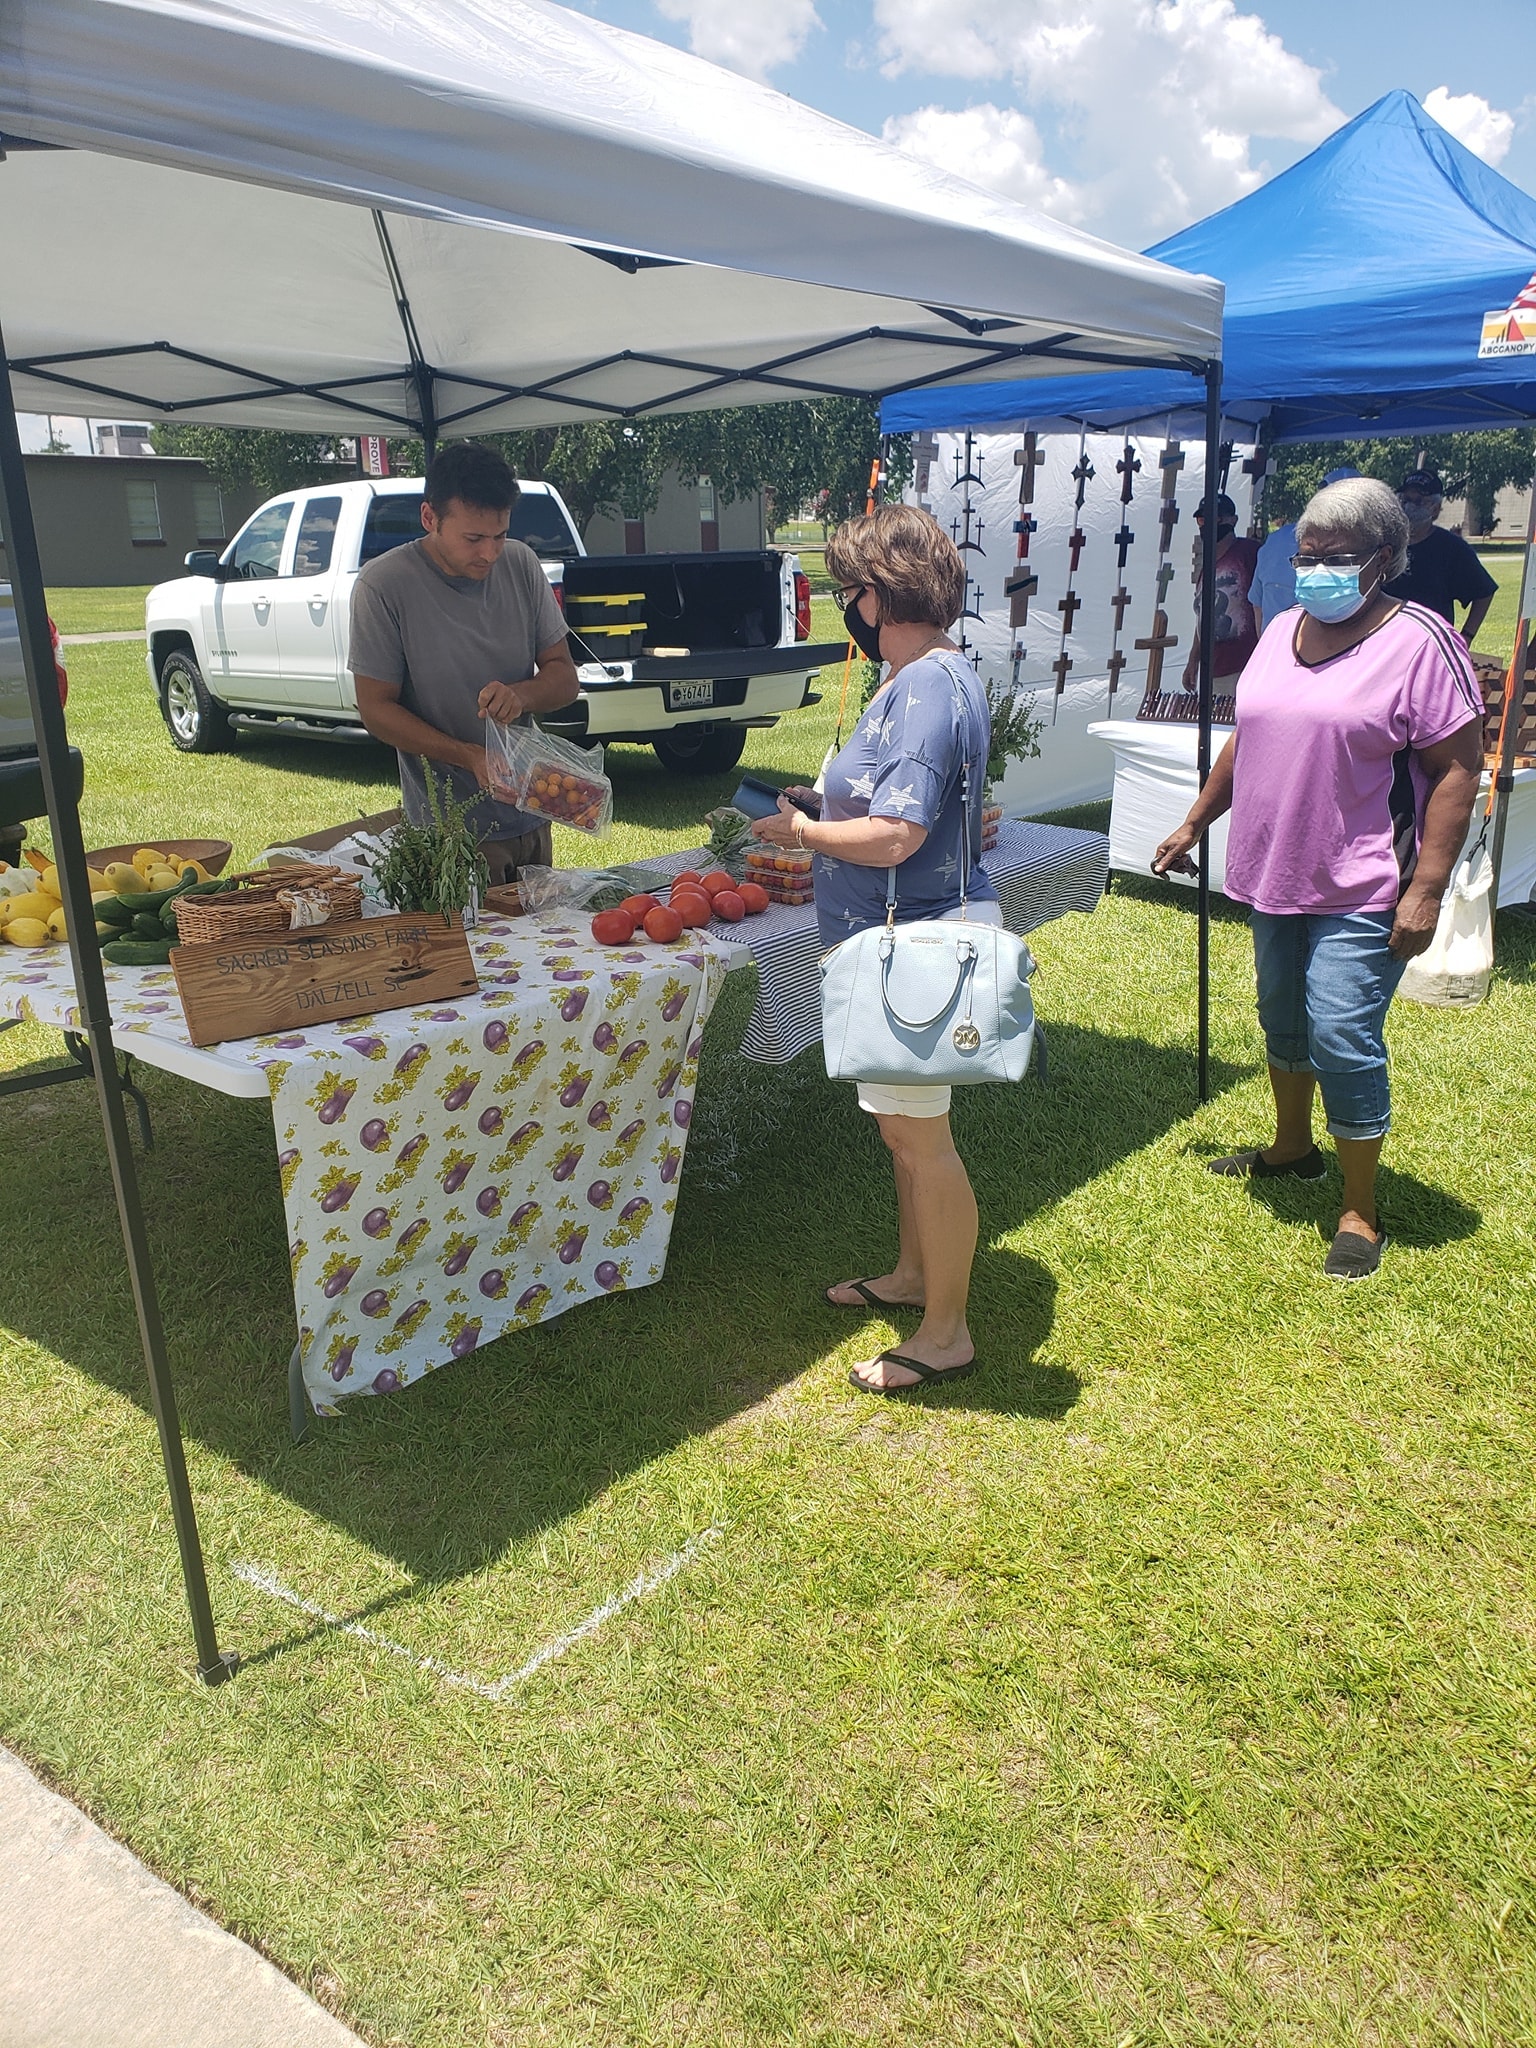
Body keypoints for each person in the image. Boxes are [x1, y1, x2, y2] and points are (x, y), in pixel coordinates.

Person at [1152, 477, 1483, 1281]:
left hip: (1365, 880)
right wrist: (1196, 819)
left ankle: (1360, 1208)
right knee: (1282, 1020)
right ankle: (1293, 1149)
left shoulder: (1422, 640)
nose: (1314, 571)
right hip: (1275, 868)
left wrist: (1428, 887)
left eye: (1335, 558)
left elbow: (1455, 768)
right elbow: (1249, 737)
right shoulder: (1284, 630)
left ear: (1385, 559)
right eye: (1306, 556)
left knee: (1342, 1034)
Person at [751, 504, 998, 1394]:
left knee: (922, 1141)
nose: (847, 606)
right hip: (899, 940)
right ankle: (911, 1277)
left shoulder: (928, 685)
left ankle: (945, 1332)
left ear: (879, 594)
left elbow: (896, 834)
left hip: (911, 949)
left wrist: (802, 832)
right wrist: (823, 808)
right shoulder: (931, 674)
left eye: (849, 589)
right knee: (902, 1132)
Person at [349, 442, 581, 886]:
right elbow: (374, 708)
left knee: (540, 949)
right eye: (473, 539)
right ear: (429, 518)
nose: (490, 554)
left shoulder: (521, 563)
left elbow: (564, 677)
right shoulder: (383, 585)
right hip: (450, 833)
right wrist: (468, 755)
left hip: (533, 815)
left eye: (499, 536)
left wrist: (521, 694)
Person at [1384, 467, 1497, 647]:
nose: (1408, 506)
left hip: (1430, 647)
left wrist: (1466, 637)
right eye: (1404, 499)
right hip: (1384, 643)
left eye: (1418, 501)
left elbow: (1484, 592)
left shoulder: (1452, 548)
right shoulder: (1384, 544)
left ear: (1435, 509)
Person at [1250, 464, 1360, 633]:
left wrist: (1266, 646)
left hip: (1277, 650)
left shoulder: (1275, 541)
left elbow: (1258, 606)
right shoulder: (1363, 550)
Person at [1180, 493, 1259, 693]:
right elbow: (1203, 619)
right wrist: (1193, 661)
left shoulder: (1250, 553)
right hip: (1213, 669)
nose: (1207, 525)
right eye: (1202, 520)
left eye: (1215, 519)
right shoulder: (1207, 568)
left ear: (1232, 520)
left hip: (1245, 666)